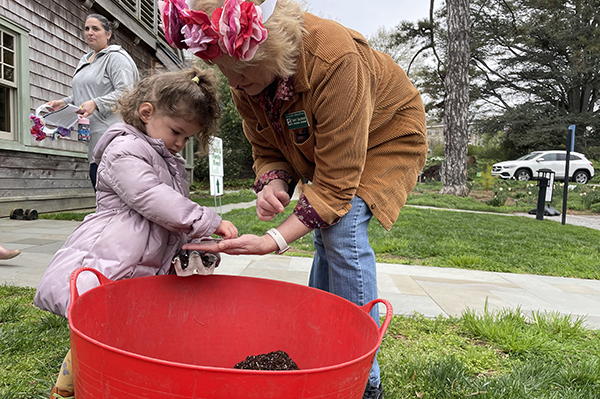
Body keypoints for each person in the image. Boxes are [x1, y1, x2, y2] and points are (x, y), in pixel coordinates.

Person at [165, 1, 428, 397]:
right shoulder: (245, 80)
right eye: (224, 70)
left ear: (270, 46)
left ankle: (362, 379)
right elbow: (266, 146)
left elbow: (337, 187)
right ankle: (322, 350)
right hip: (328, 145)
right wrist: (273, 182)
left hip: (384, 135)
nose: (234, 82)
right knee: (326, 233)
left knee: (341, 230)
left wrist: (274, 239)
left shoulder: (335, 60)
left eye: (240, 69)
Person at [34, 66, 238, 398]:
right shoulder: (123, 149)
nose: (180, 142)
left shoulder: (167, 160)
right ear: (146, 112)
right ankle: (67, 389)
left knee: (129, 333)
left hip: (141, 264)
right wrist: (207, 219)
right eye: (177, 132)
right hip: (112, 260)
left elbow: (170, 215)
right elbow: (152, 199)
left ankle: (122, 384)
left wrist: (196, 243)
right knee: (100, 332)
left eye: (187, 137)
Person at [47, 13, 139, 189]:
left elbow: (128, 92)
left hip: (114, 138)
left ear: (108, 34)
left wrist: (96, 103)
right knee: (98, 186)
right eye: (87, 28)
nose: (90, 32)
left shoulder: (116, 57)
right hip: (93, 138)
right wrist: (65, 102)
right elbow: (86, 93)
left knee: (112, 194)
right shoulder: (86, 60)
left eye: (95, 29)